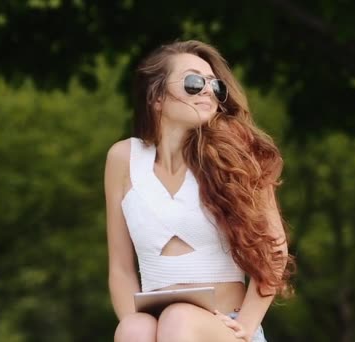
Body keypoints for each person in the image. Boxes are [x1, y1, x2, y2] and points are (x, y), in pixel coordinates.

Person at [103, 40, 294, 342]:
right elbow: (121, 269)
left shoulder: (237, 155)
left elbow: (275, 247)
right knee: (132, 328)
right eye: (194, 82)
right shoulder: (122, 159)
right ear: (157, 97)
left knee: (178, 320)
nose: (207, 90)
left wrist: (246, 324)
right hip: (157, 329)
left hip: (225, 327)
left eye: (214, 85)